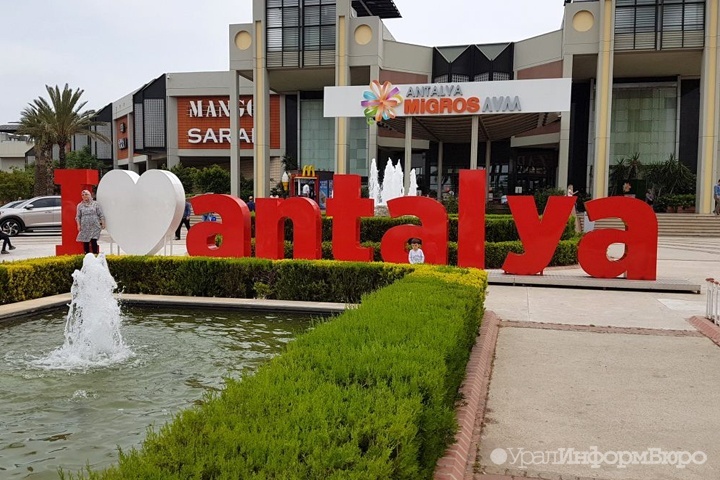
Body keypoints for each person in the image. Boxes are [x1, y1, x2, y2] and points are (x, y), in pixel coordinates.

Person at [76, 189, 105, 254]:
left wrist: (103, 223)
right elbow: (78, 216)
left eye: (86, 194)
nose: (84, 196)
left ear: (89, 195)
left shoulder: (95, 204)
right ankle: (87, 255)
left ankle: (95, 255)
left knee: (93, 240)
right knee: (85, 241)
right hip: (85, 226)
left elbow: (100, 214)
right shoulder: (80, 205)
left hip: (95, 225)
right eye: (83, 195)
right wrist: (78, 225)